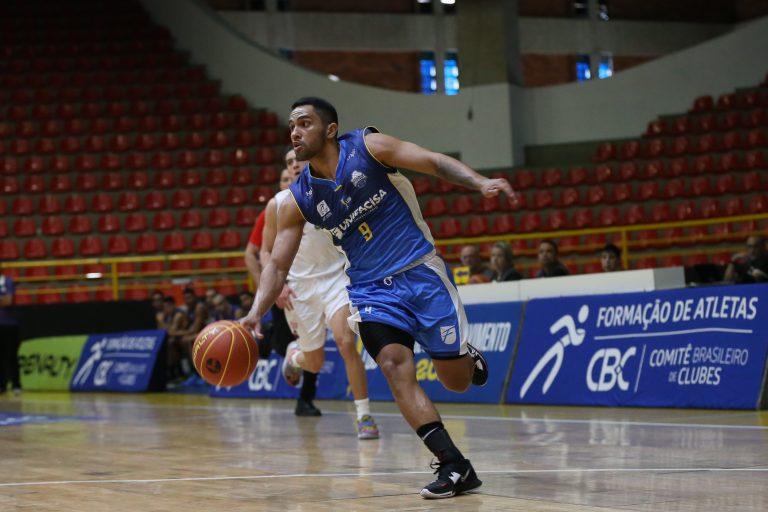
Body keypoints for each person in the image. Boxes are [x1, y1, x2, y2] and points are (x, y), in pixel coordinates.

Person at [241, 97, 515, 499]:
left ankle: (465, 357)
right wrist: (255, 312)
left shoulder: (368, 147)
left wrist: (479, 182)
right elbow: (277, 266)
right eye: (292, 126)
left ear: (330, 129)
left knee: (455, 382)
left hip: (420, 272)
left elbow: (433, 162)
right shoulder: (298, 198)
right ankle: (454, 465)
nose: (295, 132)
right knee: (392, 365)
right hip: (370, 290)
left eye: (305, 123)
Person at [260, 157, 380, 440]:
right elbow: (265, 251)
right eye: (289, 161)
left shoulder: (334, 190)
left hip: (336, 278)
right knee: (313, 364)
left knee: (346, 341)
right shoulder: (277, 204)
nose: (294, 163)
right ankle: (295, 356)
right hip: (299, 288)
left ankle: (364, 415)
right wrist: (278, 286)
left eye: (298, 158)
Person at [244, 157, 321, 417]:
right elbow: (253, 253)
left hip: (312, 282)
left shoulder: (316, 202)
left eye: (292, 178)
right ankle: (267, 341)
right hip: (284, 283)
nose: (290, 181)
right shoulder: (274, 209)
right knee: (285, 342)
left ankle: (305, 399)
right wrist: (267, 288)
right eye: (285, 179)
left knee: (311, 344)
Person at [156, 296, 187, 384]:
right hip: (174, 338)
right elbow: (160, 332)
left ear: (173, 305)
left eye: (168, 306)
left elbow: (171, 331)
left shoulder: (178, 315)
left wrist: (161, 322)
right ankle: (169, 373)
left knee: (170, 342)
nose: (166, 309)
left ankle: (175, 373)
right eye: (164, 307)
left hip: (183, 337)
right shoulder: (166, 316)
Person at [0, 272, 21, 396]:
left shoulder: (7, 281)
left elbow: (8, 301)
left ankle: (16, 385)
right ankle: (2, 385)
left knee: (12, 356)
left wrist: (5, 300)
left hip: (9, 325)